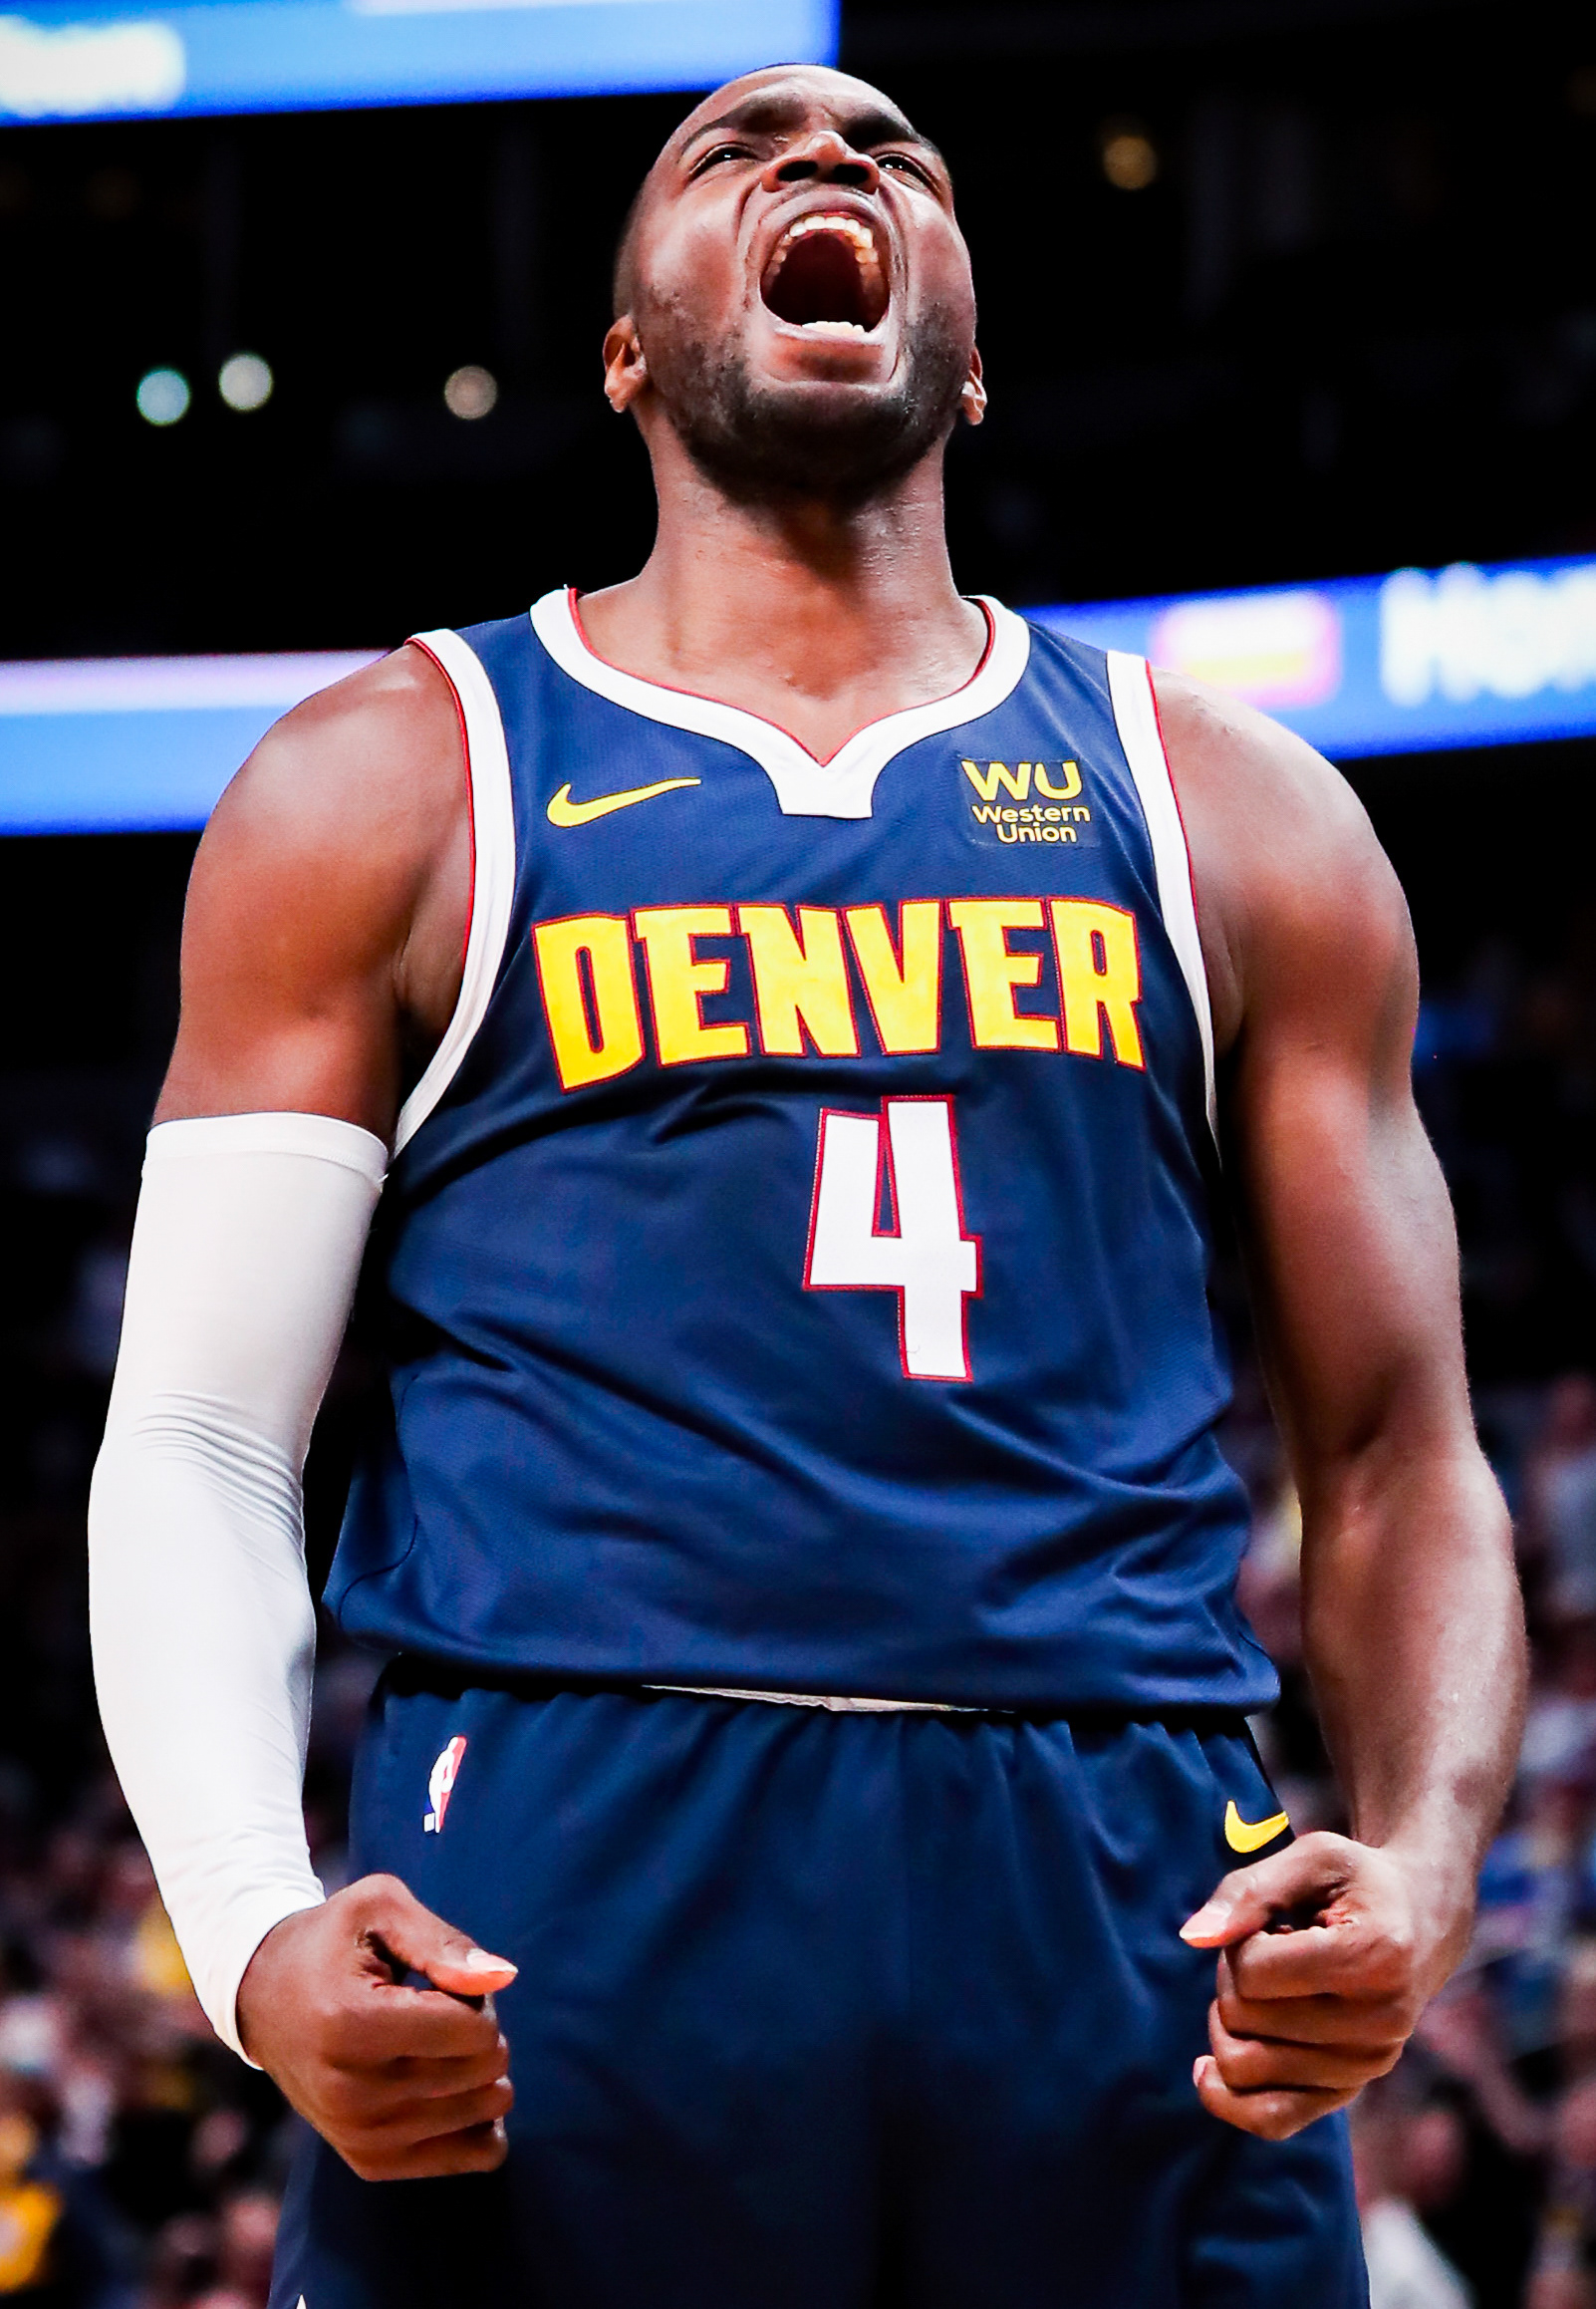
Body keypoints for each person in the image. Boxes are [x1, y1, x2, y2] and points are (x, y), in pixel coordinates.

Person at [88, 62, 1526, 2309]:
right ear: (624, 352)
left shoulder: (1234, 811)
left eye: (894, 156)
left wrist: (1427, 1860)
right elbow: (196, 1436)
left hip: (1131, 1869)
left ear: (975, 356)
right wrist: (257, 1929)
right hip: (571, 1851)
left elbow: (1395, 1447)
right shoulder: (392, 780)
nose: (829, 158)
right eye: (734, 152)